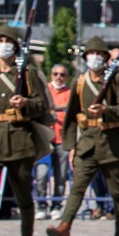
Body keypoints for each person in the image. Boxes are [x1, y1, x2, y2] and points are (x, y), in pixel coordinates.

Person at [46, 37, 119, 236]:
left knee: (117, 193)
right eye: (90, 54)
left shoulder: (116, 80)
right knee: (77, 188)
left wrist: (107, 110)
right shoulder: (79, 82)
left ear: (106, 58)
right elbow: (70, 117)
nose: (94, 58)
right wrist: (71, 146)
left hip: (112, 143)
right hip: (87, 143)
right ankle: (65, 226)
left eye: (99, 54)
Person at [0, 25, 48, 236]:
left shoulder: (27, 73)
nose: (3, 44)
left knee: (23, 196)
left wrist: (25, 103)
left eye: (8, 40)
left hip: (20, 139)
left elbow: (42, 105)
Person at [42, 62, 72, 217]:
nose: (59, 77)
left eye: (62, 75)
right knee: (42, 174)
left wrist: (57, 107)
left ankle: (56, 205)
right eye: (56, 74)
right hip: (45, 139)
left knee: (61, 176)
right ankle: (41, 205)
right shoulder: (45, 89)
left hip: (62, 139)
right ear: (51, 75)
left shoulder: (70, 92)